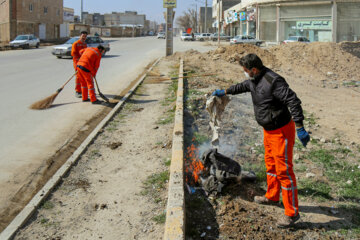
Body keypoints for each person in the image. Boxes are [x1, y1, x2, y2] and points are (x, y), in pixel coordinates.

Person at [212, 53, 310, 228]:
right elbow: (242, 86)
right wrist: (225, 91)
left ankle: (291, 213)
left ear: (254, 69)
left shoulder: (274, 81)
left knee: (284, 172)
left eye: (245, 71)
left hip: (281, 131)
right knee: (270, 164)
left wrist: (300, 126)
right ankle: (272, 196)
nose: (244, 73)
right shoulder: (253, 80)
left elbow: (293, 101)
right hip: (268, 130)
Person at [71, 31, 88, 98]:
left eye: (85, 36)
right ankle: (78, 91)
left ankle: (83, 90)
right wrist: (79, 61)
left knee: (84, 77)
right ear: (80, 36)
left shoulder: (85, 44)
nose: (84, 37)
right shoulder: (75, 44)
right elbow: (73, 54)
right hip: (77, 63)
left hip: (83, 62)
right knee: (78, 77)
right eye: (83, 36)